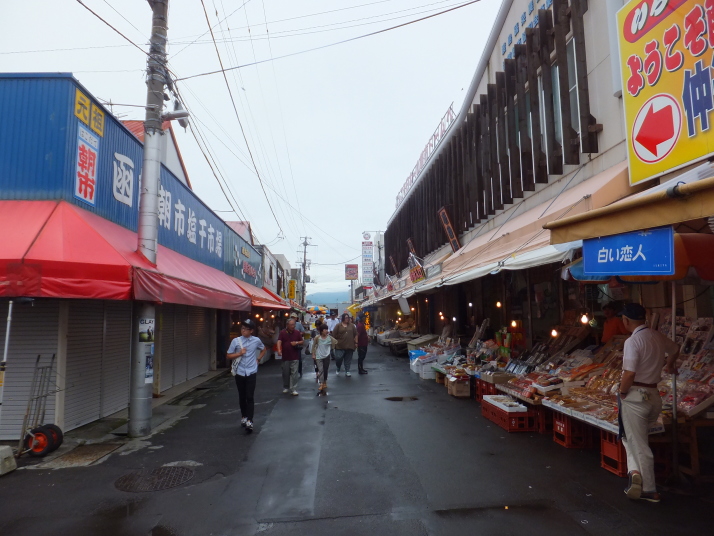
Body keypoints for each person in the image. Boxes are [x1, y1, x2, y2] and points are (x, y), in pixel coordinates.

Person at [618, 303, 679, 503]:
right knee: (629, 437)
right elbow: (675, 349)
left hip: (636, 395)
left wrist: (622, 392)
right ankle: (635, 472)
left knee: (638, 442)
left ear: (626, 320)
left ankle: (649, 489)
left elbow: (629, 373)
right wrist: (669, 365)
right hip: (653, 394)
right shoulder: (656, 336)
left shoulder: (632, 341)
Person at [226, 319, 267, 433]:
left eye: (246, 329)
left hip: (251, 371)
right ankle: (244, 416)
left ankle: (250, 420)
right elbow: (228, 355)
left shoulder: (256, 340)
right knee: (242, 396)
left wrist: (258, 359)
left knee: (250, 396)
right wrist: (239, 353)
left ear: (251, 331)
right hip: (239, 372)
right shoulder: (236, 341)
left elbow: (263, 349)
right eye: (242, 328)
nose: (243, 330)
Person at [277, 318, 303, 395]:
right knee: (285, 373)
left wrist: (296, 342)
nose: (293, 326)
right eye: (291, 325)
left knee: (294, 373)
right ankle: (286, 387)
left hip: (295, 356)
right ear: (287, 325)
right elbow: (279, 341)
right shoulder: (282, 332)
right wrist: (279, 350)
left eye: (294, 324)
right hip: (285, 356)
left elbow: (302, 341)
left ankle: (293, 388)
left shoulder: (297, 332)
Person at [312, 324, 337, 395]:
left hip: (327, 356)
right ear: (321, 331)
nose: (326, 331)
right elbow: (313, 346)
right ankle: (321, 383)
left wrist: (332, 347)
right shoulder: (317, 338)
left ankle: (325, 381)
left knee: (325, 369)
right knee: (321, 370)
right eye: (325, 330)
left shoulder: (329, 338)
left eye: (327, 329)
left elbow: (335, 342)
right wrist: (313, 354)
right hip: (319, 356)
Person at [333, 313, 358, 377]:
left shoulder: (352, 326)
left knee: (348, 359)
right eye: (346, 318)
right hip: (339, 346)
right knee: (338, 358)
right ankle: (338, 367)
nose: (347, 319)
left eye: (348, 318)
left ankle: (347, 370)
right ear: (343, 318)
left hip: (349, 345)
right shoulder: (338, 325)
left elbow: (355, 334)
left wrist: (356, 343)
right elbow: (333, 335)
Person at [290, 313, 306, 377]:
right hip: (290, 343)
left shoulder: (298, 324)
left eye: (294, 317)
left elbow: (303, 331)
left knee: (299, 359)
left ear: (296, 318)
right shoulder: (288, 325)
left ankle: (300, 371)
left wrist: (298, 334)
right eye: (292, 317)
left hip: (297, 343)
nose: (293, 319)